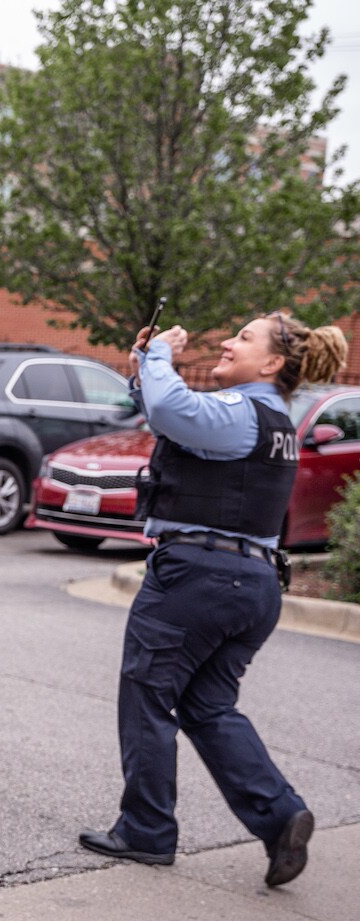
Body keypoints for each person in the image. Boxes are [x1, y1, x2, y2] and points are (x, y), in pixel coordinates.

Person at [79, 314, 350, 886]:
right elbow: (174, 421)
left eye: (244, 338)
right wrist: (144, 372)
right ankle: (280, 816)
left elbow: (173, 410)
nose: (227, 342)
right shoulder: (271, 421)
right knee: (207, 706)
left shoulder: (241, 413)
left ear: (272, 363)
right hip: (252, 584)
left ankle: (146, 830)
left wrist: (160, 357)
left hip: (199, 579)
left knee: (148, 695)